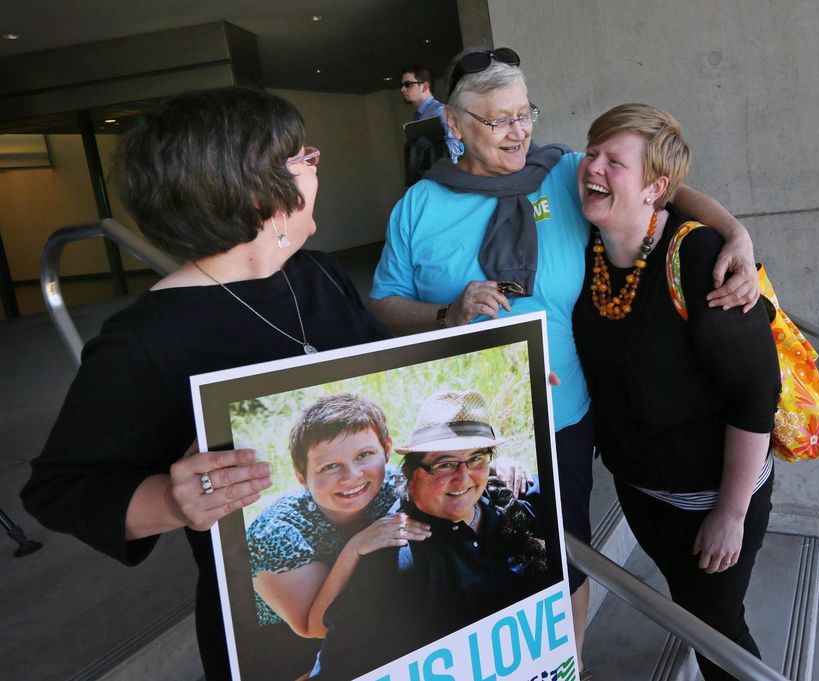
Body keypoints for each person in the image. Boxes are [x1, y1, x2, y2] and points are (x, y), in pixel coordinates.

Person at [367, 46, 760, 672]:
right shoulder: (419, 206)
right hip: (464, 425)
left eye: (525, 113)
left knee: (565, 558)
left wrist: (736, 233)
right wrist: (447, 312)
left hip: (562, 417)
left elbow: (664, 189)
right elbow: (384, 303)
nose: (519, 131)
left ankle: (563, 665)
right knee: (473, 565)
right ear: (456, 124)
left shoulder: (564, 172)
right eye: (499, 120)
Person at [19, 86, 391, 681]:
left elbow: (383, 368)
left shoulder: (316, 273)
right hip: (271, 637)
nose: (315, 165)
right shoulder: (146, 338)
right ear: (255, 191)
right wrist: (171, 500)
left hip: (400, 609)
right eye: (302, 158)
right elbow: (59, 491)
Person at [571, 103, 780, 681]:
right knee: (696, 609)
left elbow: (756, 396)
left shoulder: (702, 260)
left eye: (615, 161)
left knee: (718, 633)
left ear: (654, 189)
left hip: (715, 495)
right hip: (642, 490)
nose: (592, 166)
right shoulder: (586, 245)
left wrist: (731, 512)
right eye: (592, 152)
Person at [313, 389, 554, 679]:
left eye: (477, 458)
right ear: (411, 473)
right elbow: (336, 669)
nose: (463, 477)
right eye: (445, 464)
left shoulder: (509, 498)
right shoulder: (393, 558)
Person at [247, 393, 431, 633]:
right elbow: (315, 628)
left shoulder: (398, 482)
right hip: (292, 651)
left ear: (386, 450)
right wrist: (354, 548)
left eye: (364, 455)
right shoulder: (275, 534)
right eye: (330, 466)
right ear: (301, 476)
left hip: (378, 619)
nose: (352, 476)